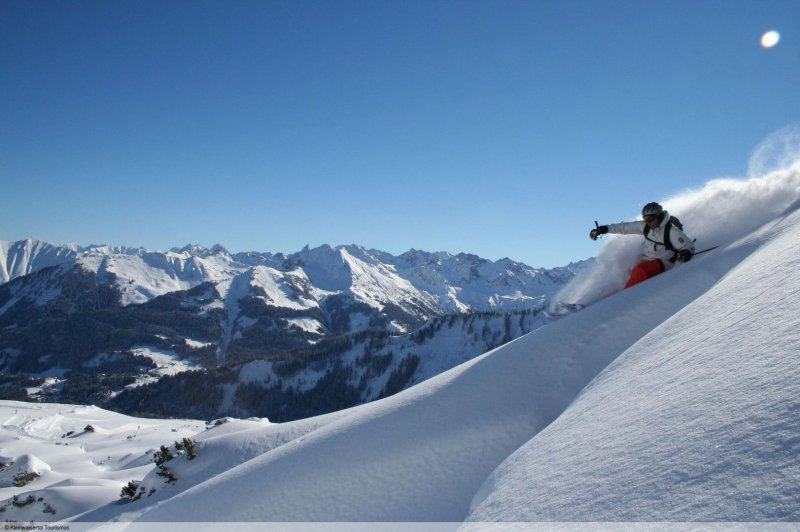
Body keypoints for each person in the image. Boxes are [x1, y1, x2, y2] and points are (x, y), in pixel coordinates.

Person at [590, 202, 695, 288]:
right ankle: (612, 294)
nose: (647, 222)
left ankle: (624, 296)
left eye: (650, 219)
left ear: (658, 216)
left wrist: (685, 253)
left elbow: (688, 246)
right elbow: (625, 227)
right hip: (647, 259)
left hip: (663, 262)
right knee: (627, 271)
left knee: (640, 270)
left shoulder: (671, 231)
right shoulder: (646, 227)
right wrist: (604, 229)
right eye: (645, 219)